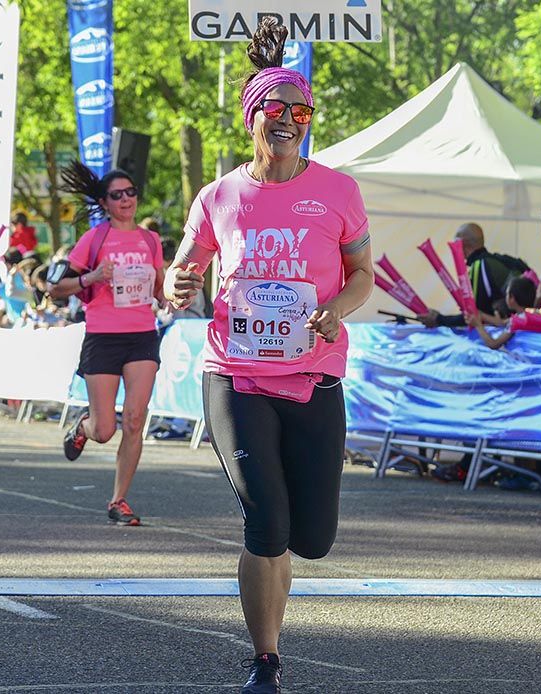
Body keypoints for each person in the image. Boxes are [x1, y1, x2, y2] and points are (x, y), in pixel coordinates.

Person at [164, 18, 372, 694]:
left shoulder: (338, 191)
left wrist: (335, 310)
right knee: (266, 520)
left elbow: (364, 275)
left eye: (299, 112)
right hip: (236, 374)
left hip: (313, 374)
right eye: (274, 110)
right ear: (251, 116)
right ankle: (266, 660)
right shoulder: (219, 195)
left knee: (311, 539)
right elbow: (182, 269)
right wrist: (177, 284)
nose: (286, 121)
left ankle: (270, 641)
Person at [51, 161, 165, 527]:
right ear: (104, 202)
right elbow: (56, 288)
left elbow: (160, 289)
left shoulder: (150, 240)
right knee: (104, 431)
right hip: (102, 336)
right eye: (117, 195)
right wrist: (94, 276)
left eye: (131, 192)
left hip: (142, 335)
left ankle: (118, 500)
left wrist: (174, 293)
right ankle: (82, 428)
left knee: (135, 419)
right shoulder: (94, 239)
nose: (126, 199)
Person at [416, 223, 531, 327]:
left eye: (455, 243)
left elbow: (474, 315)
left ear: (462, 243)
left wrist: (439, 319)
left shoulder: (480, 266)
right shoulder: (500, 260)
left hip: (513, 328)